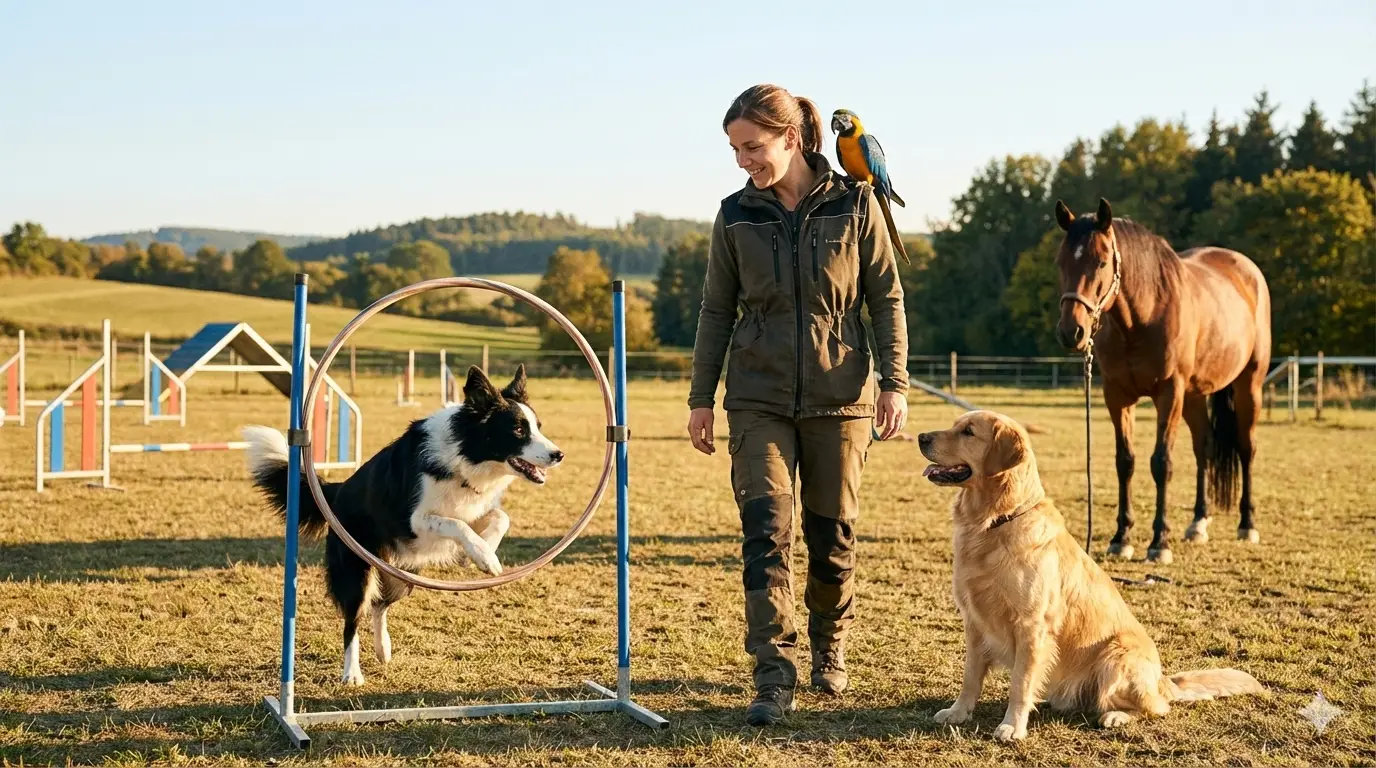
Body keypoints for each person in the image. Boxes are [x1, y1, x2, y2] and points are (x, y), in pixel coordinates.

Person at [687, 83, 910, 726]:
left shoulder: (856, 203)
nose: (742, 161)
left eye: (752, 146)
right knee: (765, 533)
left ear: (792, 138)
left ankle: (829, 644)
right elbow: (715, 310)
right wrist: (703, 398)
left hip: (841, 400)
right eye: (734, 148)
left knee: (831, 538)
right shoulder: (735, 215)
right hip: (756, 397)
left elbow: (886, 298)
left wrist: (892, 383)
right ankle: (772, 672)